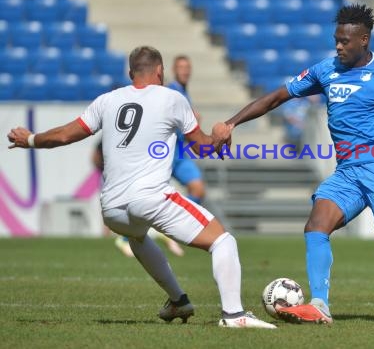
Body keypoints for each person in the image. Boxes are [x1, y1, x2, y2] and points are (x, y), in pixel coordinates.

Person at [220, 4, 374, 324]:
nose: (338, 46)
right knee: (316, 226)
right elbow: (276, 98)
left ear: (364, 40)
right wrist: (231, 124)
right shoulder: (326, 70)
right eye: (336, 39)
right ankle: (320, 305)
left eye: (345, 41)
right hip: (347, 171)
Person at [7, 46, 276, 329]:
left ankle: (178, 301)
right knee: (223, 241)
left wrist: (32, 139)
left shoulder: (107, 100)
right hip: (150, 197)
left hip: (111, 209)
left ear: (129, 73)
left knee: (137, 238)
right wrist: (223, 132)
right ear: (160, 71)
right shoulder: (173, 98)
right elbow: (203, 145)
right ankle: (234, 315)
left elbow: (63, 135)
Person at [92, 140, 185, 258]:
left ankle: (156, 235)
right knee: (124, 207)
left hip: (130, 175)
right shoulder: (111, 136)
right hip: (116, 176)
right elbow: (96, 155)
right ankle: (124, 238)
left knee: (144, 205)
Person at [167, 55, 205, 205]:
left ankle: (178, 222)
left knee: (198, 189)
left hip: (180, 152)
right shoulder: (171, 91)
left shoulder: (183, 92)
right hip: (165, 152)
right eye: (181, 68)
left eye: (187, 68)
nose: (184, 71)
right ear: (174, 70)